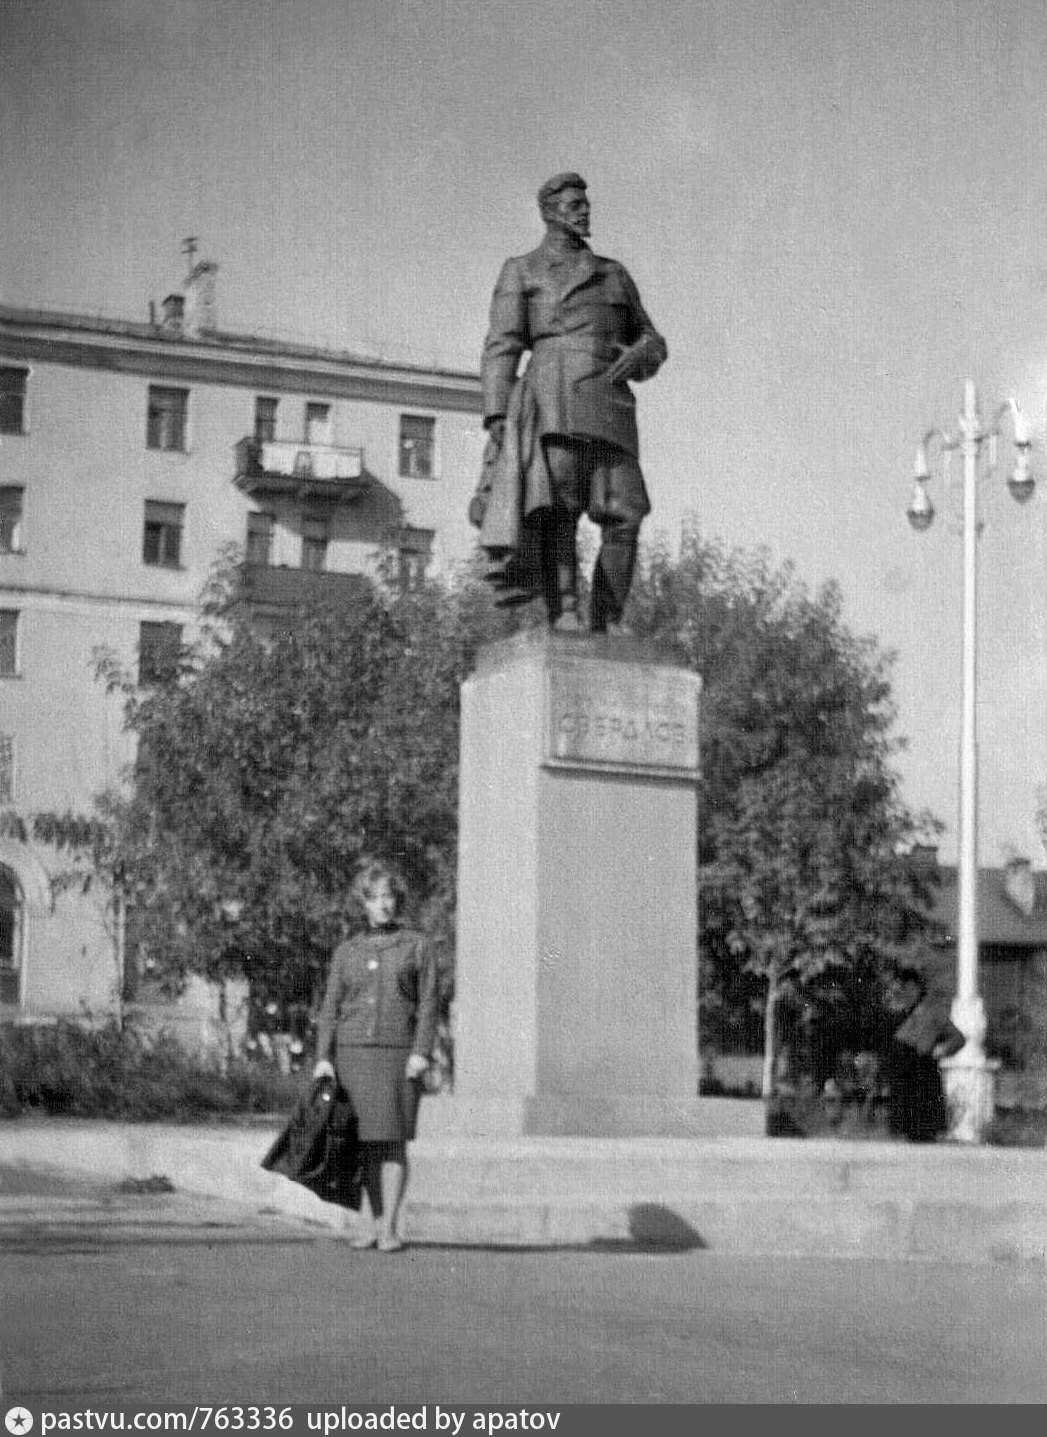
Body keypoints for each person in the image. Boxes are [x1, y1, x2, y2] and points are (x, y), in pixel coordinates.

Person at [472, 171, 667, 634]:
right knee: (558, 510)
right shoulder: (522, 270)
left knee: (627, 514)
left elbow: (652, 340)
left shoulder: (613, 274)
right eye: (574, 204)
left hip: (611, 407)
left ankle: (607, 616)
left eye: (586, 203)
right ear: (549, 213)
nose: (584, 210)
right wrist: (498, 413)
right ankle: (565, 611)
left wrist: (644, 353)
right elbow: (501, 344)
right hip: (553, 399)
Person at [312, 860, 439, 1251]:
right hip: (353, 1057)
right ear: (363, 904)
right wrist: (324, 1057)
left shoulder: (417, 946)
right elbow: (331, 1007)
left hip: (398, 1056)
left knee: (393, 1141)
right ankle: (371, 1222)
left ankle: (391, 1228)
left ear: (397, 901)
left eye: (389, 897)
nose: (383, 905)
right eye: (375, 898)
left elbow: (430, 1004)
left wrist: (421, 1052)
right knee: (365, 1142)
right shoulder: (347, 951)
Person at [885, 969, 965, 1143]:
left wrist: (943, 1049)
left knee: (924, 1131)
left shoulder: (934, 1013)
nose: (905, 993)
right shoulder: (900, 1013)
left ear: (918, 989)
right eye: (903, 988)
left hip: (923, 1073)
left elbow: (958, 1038)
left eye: (909, 988)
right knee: (905, 1132)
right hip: (904, 1075)